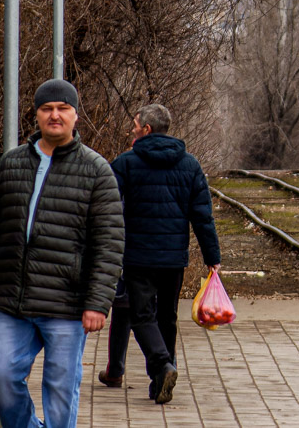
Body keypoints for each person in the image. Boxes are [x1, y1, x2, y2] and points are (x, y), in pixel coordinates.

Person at [0, 79, 124, 428]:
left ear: (75, 116)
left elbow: (109, 242)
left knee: (59, 392)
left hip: (68, 306)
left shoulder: (96, 171)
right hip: (13, 301)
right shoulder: (9, 166)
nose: (54, 115)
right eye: (46, 108)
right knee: (1, 376)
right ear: (36, 115)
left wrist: (98, 302)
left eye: (62, 108)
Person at [103, 103, 221, 404]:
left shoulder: (126, 163)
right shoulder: (190, 165)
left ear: (147, 130)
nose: (131, 128)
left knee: (143, 316)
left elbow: (108, 208)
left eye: (135, 124)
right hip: (173, 258)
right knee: (167, 316)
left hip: (138, 257)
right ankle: (159, 383)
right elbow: (202, 215)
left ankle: (162, 364)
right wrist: (212, 256)